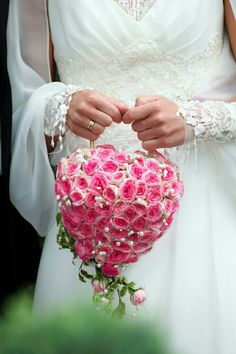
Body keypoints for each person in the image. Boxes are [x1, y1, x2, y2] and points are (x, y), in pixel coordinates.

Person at [7, 1, 236, 353]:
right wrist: (62, 106)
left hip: (204, 213)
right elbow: (27, 97)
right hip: (90, 215)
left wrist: (195, 120)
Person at [0, 0, 41, 309]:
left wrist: (193, 122)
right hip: (84, 189)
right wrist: (60, 105)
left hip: (200, 179)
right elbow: (28, 87)